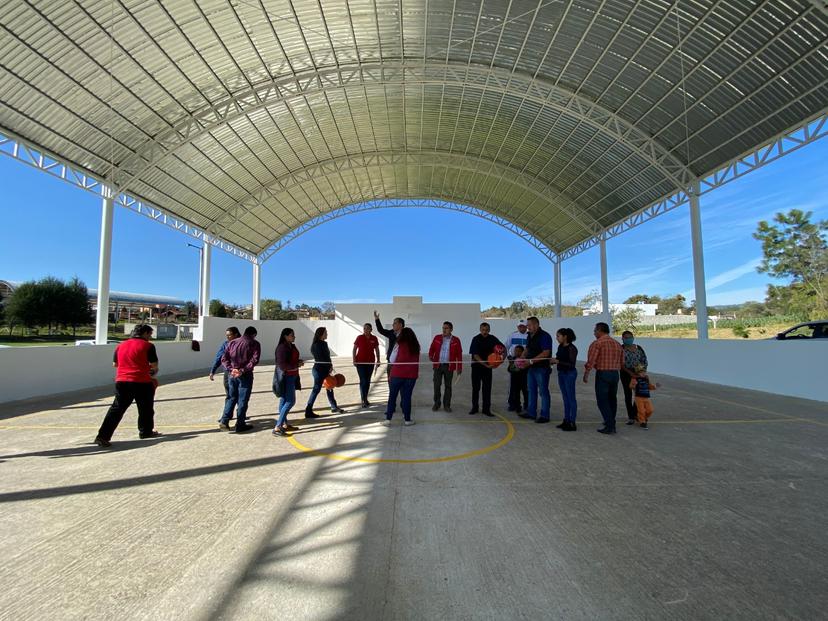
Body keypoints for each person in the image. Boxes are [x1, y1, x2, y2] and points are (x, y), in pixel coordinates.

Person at [94, 324, 159, 447]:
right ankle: (145, 432)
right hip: (142, 381)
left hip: (122, 381)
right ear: (145, 333)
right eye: (150, 334)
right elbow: (154, 365)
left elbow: (115, 364)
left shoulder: (121, 345)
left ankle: (102, 436)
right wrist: (152, 371)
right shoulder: (148, 346)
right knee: (146, 408)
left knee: (116, 410)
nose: (150, 337)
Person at [583, 322, 624, 435]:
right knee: (612, 399)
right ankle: (611, 422)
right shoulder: (617, 344)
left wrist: (586, 373)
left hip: (603, 374)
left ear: (600, 330)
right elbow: (622, 361)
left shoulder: (597, 343)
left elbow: (591, 360)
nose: (594, 332)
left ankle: (610, 425)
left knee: (602, 400)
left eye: (595, 330)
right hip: (615, 374)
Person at [219, 326, 261, 433]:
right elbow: (254, 360)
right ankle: (240, 423)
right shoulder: (255, 344)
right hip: (245, 375)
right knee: (242, 400)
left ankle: (224, 421)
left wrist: (231, 369)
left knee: (231, 397)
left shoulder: (232, 343)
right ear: (254, 335)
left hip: (232, 374)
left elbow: (224, 358)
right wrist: (242, 370)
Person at [382, 327, 420, 426]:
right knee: (407, 397)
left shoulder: (398, 344)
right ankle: (407, 420)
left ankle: (388, 420)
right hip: (411, 375)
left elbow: (392, 359)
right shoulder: (416, 346)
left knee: (392, 397)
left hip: (397, 374)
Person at [306, 327, 345, 417]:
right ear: (321, 334)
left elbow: (325, 358)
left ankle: (334, 406)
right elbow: (323, 358)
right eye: (325, 333)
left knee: (330, 387)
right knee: (316, 389)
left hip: (323, 369)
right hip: (319, 370)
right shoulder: (320, 344)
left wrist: (329, 366)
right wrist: (329, 366)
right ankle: (308, 410)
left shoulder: (317, 344)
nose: (327, 334)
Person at [273, 328, 304, 437]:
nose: (294, 336)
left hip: (293, 376)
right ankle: (277, 427)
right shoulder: (282, 348)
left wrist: (298, 362)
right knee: (290, 401)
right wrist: (296, 365)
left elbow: (292, 360)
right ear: (285, 336)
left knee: (284, 400)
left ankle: (284, 424)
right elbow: (282, 365)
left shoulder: (291, 346)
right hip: (286, 377)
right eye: (292, 335)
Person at [523, 316, 554, 423]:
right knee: (531, 390)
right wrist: (521, 358)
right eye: (527, 325)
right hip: (531, 368)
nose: (527, 327)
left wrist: (531, 361)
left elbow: (546, 353)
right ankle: (531, 413)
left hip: (542, 368)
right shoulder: (529, 336)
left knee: (543, 392)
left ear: (536, 325)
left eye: (529, 325)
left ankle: (545, 416)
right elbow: (527, 349)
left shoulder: (545, 336)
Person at [468, 322, 504, 417]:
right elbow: (475, 355)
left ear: (489, 330)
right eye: (483, 330)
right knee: (476, 388)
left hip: (488, 368)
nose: (485, 332)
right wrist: (485, 364)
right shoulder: (475, 339)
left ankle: (486, 409)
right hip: (477, 367)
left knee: (487, 389)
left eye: (487, 330)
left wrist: (501, 359)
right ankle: (474, 408)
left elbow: (503, 348)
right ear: (480, 330)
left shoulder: (492, 339)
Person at [428, 321, 463, 412]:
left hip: (449, 367)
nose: (444, 330)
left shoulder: (456, 340)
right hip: (438, 366)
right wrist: (431, 355)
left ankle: (447, 405)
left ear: (451, 329)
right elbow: (432, 348)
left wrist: (459, 367)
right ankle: (437, 404)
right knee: (437, 385)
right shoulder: (437, 338)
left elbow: (459, 355)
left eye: (446, 328)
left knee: (448, 386)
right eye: (443, 328)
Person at [550, 328, 578, 431]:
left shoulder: (572, 348)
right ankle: (566, 420)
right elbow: (559, 358)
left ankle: (572, 422)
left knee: (571, 398)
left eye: (558, 336)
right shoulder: (560, 346)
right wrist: (553, 362)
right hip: (561, 373)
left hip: (569, 374)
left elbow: (571, 364)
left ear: (565, 336)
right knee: (565, 398)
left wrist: (558, 362)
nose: (557, 338)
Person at [620, 330, 648, 426]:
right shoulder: (621, 349)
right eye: (626, 337)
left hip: (639, 373)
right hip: (626, 373)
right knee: (628, 395)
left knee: (639, 395)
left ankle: (636, 413)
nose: (628, 339)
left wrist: (641, 372)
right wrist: (630, 373)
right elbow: (621, 364)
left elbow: (644, 360)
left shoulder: (638, 348)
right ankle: (631, 417)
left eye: (630, 337)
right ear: (622, 339)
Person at [353, 323, 380, 407]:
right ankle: (363, 400)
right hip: (360, 363)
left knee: (367, 381)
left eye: (367, 328)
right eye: (364, 328)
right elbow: (354, 349)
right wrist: (354, 360)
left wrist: (378, 360)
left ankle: (365, 398)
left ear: (371, 329)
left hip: (370, 363)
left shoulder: (374, 338)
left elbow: (377, 350)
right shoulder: (359, 337)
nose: (365, 330)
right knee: (363, 380)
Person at [209, 326, 240, 400]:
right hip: (228, 371)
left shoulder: (242, 344)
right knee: (229, 394)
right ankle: (229, 411)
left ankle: (239, 411)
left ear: (236, 334)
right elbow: (219, 358)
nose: (228, 337)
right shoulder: (225, 344)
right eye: (227, 335)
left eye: (229, 335)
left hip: (240, 371)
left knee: (238, 394)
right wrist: (213, 371)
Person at [630, 364, 659, 429]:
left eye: (644, 372)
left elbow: (649, 386)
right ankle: (642, 422)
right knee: (641, 411)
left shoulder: (646, 379)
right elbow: (631, 386)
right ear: (638, 373)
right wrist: (634, 385)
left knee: (650, 410)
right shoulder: (635, 379)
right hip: (639, 398)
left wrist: (655, 386)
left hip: (646, 398)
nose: (643, 373)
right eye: (641, 372)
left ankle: (643, 418)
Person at [506, 344, 528, 415]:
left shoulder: (524, 360)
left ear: (522, 352)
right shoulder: (513, 359)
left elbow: (523, 369)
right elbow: (509, 369)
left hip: (523, 379)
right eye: (515, 351)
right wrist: (511, 363)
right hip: (515, 380)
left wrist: (516, 364)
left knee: (526, 393)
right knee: (516, 394)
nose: (517, 353)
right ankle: (517, 407)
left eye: (519, 351)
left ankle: (527, 406)